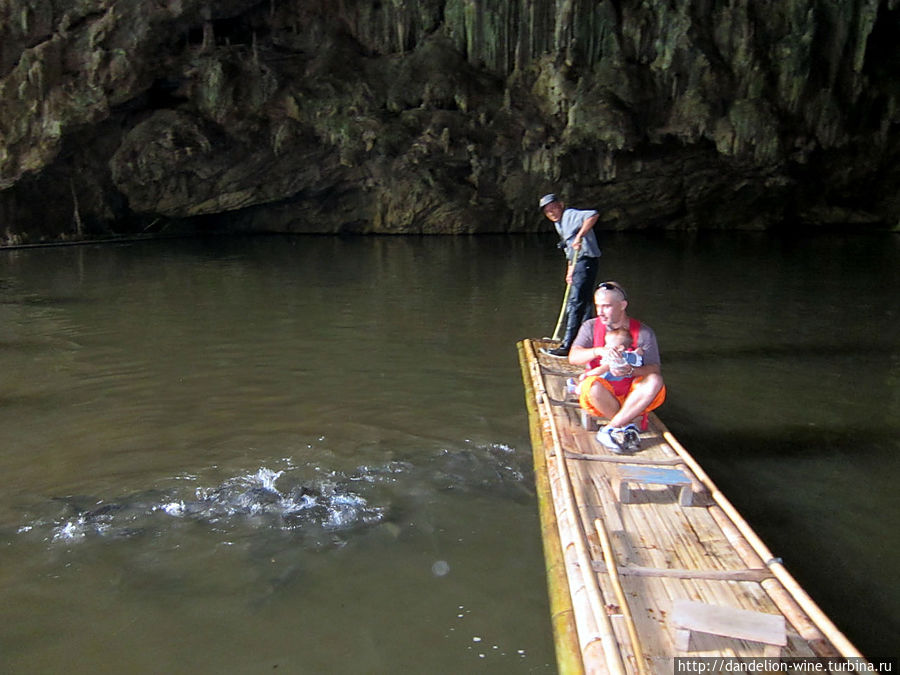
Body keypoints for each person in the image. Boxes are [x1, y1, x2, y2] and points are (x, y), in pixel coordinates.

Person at [568, 281, 666, 454]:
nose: (600, 312)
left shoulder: (644, 333)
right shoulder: (590, 326)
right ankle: (628, 425)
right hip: (601, 393)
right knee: (591, 385)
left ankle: (610, 428)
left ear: (622, 305)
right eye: (598, 306)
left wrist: (630, 371)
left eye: (606, 307)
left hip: (632, 392)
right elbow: (573, 357)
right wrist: (598, 351)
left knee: (656, 380)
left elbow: (654, 369)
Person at [539, 193, 601, 356]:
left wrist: (580, 236)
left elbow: (593, 215)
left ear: (560, 205)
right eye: (547, 211)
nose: (551, 212)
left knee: (575, 303)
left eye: (553, 208)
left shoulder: (569, 215)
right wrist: (570, 270)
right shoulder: (559, 224)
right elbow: (569, 249)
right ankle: (585, 341)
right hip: (580, 263)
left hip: (585, 260)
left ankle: (567, 346)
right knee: (585, 303)